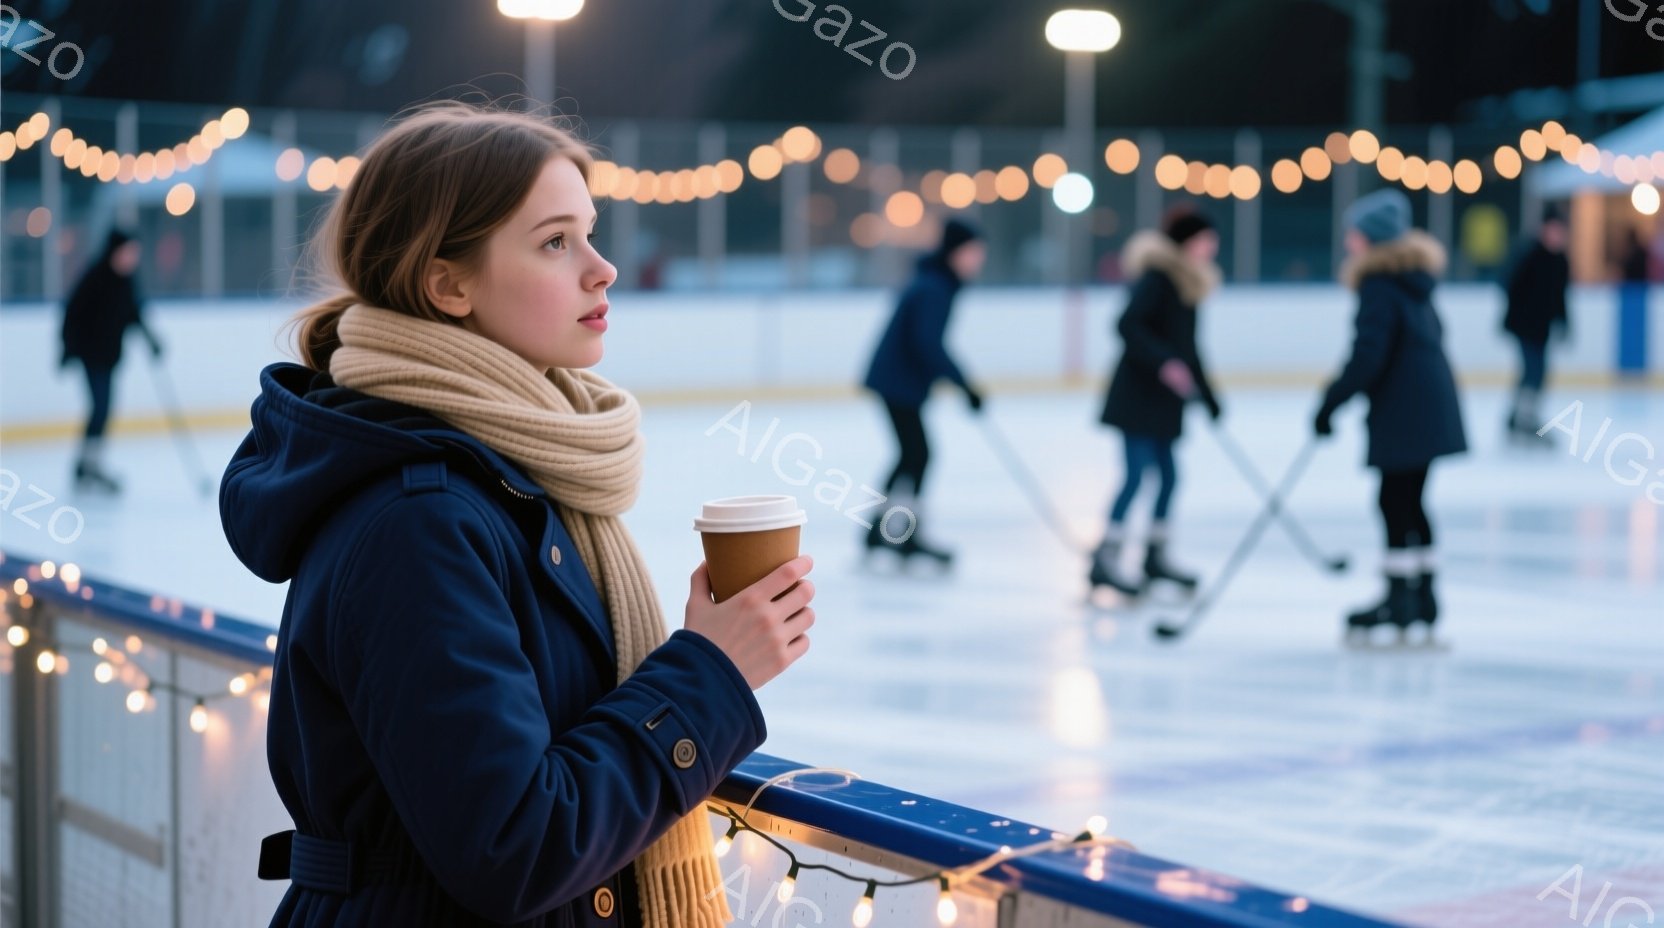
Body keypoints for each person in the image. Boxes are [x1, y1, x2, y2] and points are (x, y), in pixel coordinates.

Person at [219, 102, 817, 927]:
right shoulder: (420, 522)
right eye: (555, 242)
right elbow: (515, 845)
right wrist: (710, 675)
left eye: (592, 234)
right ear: (448, 284)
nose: (602, 269)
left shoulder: (518, 479)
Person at [1313, 189, 1466, 641]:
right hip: (1428, 405)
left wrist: (1330, 402)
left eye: (1354, 234)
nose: (1348, 242)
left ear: (1372, 239)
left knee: (1394, 502)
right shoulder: (1414, 281)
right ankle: (1422, 597)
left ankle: (1401, 600)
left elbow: (1368, 355)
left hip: (1405, 410)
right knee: (1411, 501)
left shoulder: (1379, 284)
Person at [1090, 205, 1223, 597]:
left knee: (1168, 477)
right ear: (1189, 241)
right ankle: (1106, 556)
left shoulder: (1188, 283)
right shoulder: (1159, 278)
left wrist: (1210, 396)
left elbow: (1189, 348)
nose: (1212, 247)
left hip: (1165, 402)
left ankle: (1155, 555)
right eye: (1206, 240)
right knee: (1136, 475)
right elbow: (1127, 324)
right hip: (1138, 397)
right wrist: (1163, 362)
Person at [860, 218, 987, 565]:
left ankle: (880, 531)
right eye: (973, 252)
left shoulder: (936, 283)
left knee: (911, 454)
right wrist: (965, 385)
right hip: (897, 380)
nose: (978, 260)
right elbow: (927, 343)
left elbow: (927, 344)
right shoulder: (935, 288)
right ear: (956, 253)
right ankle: (901, 534)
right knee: (918, 454)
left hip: (897, 380)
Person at [59, 228, 163, 493]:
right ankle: (88, 465)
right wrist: (68, 348)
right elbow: (72, 313)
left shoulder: (126, 280)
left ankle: (86, 464)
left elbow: (133, 313)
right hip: (91, 355)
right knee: (101, 407)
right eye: (129, 252)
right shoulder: (96, 277)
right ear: (116, 251)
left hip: (109, 356)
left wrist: (151, 339)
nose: (133, 258)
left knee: (102, 409)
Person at [1500, 206, 1570, 444]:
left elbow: (1560, 296)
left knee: (1536, 372)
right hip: (1524, 326)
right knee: (1533, 370)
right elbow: (1509, 285)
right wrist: (1517, 315)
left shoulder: (1559, 260)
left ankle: (1518, 417)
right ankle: (1524, 420)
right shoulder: (1529, 254)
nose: (1556, 235)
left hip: (1542, 328)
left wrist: (1564, 323)